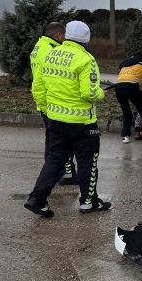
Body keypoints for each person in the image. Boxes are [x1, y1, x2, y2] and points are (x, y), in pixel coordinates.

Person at [24, 21, 111, 217]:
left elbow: (38, 88)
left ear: (66, 35)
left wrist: (48, 110)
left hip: (56, 119)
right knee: (87, 161)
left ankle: (37, 198)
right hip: (82, 122)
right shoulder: (86, 59)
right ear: (86, 38)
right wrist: (101, 92)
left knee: (55, 160)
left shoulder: (49, 55)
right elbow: (89, 93)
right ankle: (88, 202)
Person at [29, 22, 77, 186]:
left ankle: (55, 172)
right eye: (64, 36)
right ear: (58, 35)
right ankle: (64, 173)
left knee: (52, 139)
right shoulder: (51, 50)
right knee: (61, 140)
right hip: (52, 101)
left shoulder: (39, 46)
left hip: (45, 100)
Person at [115, 52, 142, 143]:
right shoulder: (141, 63)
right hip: (132, 87)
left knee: (126, 112)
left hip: (119, 88)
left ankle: (125, 136)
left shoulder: (125, 64)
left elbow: (127, 80)